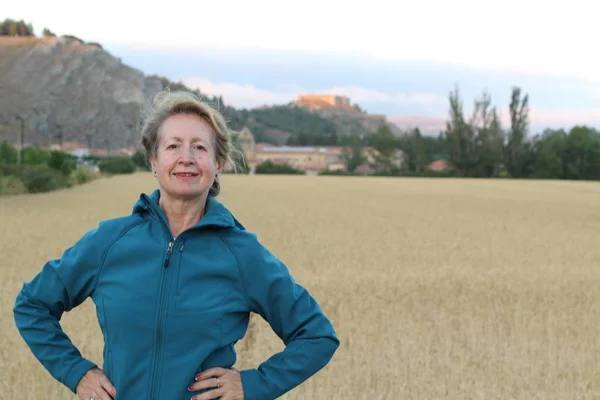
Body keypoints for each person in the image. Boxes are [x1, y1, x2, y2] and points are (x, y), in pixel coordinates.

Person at [13, 90, 340, 400]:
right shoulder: (110, 242)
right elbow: (32, 305)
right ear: (154, 161)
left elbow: (317, 336)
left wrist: (253, 385)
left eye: (200, 147)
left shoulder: (242, 254)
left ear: (218, 165)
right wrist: (76, 373)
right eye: (173, 146)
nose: (187, 158)